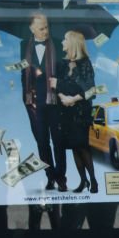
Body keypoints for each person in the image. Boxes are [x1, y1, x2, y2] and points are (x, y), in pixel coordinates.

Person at [20, 12, 67, 192]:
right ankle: (50, 177)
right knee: (42, 142)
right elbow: (23, 73)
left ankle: (61, 178)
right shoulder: (24, 45)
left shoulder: (57, 42)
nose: (45, 31)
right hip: (34, 103)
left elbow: (64, 71)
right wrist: (26, 96)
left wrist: (60, 87)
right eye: (41, 28)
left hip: (54, 101)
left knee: (58, 141)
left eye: (47, 27)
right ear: (32, 29)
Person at [54, 31, 98, 194]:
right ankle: (83, 181)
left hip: (80, 112)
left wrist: (72, 99)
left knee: (82, 146)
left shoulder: (85, 63)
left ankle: (93, 180)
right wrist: (62, 96)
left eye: (65, 39)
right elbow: (55, 84)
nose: (62, 43)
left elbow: (91, 90)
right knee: (73, 147)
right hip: (65, 112)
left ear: (72, 43)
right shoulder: (62, 63)